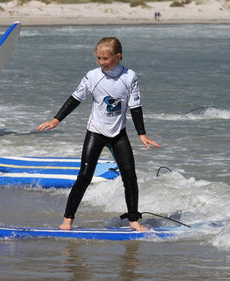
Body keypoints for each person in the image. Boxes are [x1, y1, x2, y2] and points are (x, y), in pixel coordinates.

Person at [37, 37, 161, 232]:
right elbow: (75, 99)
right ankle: (68, 219)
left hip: (118, 134)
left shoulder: (130, 77)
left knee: (130, 177)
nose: (101, 62)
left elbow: (135, 107)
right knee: (84, 176)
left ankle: (134, 220)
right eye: (98, 58)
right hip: (95, 132)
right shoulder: (92, 76)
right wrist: (56, 119)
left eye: (105, 58)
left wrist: (142, 134)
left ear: (118, 57)